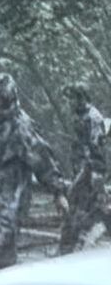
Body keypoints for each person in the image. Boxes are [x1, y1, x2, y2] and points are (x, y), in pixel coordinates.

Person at [0, 73, 68, 270]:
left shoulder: (21, 126)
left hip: (11, 199)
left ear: (6, 96)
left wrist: (58, 191)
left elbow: (42, 160)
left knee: (0, 250)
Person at [59, 82, 109, 254]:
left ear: (81, 98)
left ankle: (67, 250)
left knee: (79, 212)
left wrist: (93, 174)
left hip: (89, 172)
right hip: (82, 169)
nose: (69, 102)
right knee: (88, 212)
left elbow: (97, 149)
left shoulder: (92, 118)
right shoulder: (80, 116)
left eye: (72, 98)